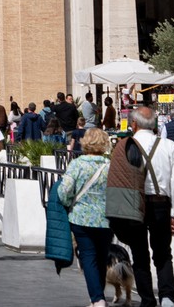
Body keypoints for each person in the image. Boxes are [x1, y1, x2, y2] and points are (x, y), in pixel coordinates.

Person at [106, 106, 174, 307]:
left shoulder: (125, 146)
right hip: (161, 204)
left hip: (134, 204)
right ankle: (168, 298)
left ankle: (148, 300)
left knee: (139, 255)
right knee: (163, 253)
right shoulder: (169, 146)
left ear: (134, 124)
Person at [57, 128, 113, 307]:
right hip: (106, 219)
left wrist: (67, 202)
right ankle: (98, 296)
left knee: (88, 256)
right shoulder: (110, 165)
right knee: (102, 257)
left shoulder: (77, 164)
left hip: (81, 218)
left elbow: (64, 191)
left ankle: (97, 299)